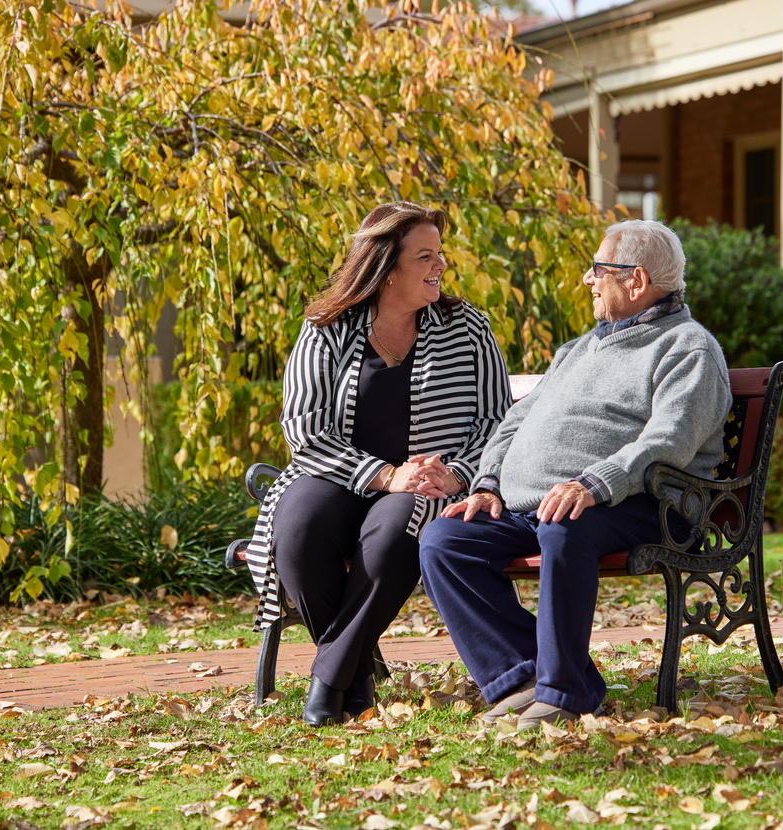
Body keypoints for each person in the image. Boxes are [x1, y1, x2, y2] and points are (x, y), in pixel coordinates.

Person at [418, 219, 731, 732]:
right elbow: (514, 421)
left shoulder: (687, 347)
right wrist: (488, 484)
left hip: (647, 503)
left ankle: (564, 693)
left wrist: (593, 483)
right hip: (542, 504)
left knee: (564, 525)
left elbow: (668, 442)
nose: (588, 278)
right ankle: (522, 676)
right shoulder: (580, 348)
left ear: (636, 280)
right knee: (445, 540)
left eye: (598, 269)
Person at [243, 202, 512, 726]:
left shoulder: (468, 328)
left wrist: (458, 473)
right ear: (386, 267)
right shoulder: (327, 328)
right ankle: (357, 674)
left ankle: (329, 682)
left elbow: (497, 424)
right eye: (425, 256)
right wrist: (385, 475)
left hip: (429, 484)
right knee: (297, 531)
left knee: (393, 535)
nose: (440, 265)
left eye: (440, 253)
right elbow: (304, 429)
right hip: (335, 473)